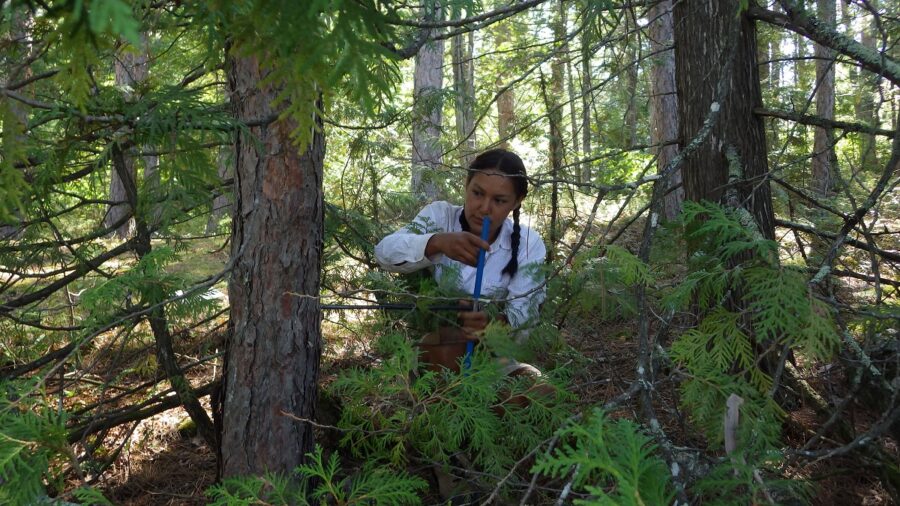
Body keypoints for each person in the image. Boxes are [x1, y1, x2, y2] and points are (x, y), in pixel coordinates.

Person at [375, 148, 546, 373]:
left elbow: (525, 315)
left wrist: (492, 325)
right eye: (477, 193)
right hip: (436, 345)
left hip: (493, 353)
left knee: (539, 391)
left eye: (499, 200)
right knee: (449, 350)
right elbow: (384, 253)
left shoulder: (528, 243)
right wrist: (436, 243)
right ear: (466, 184)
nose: (484, 208)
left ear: (516, 202)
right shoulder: (440, 217)